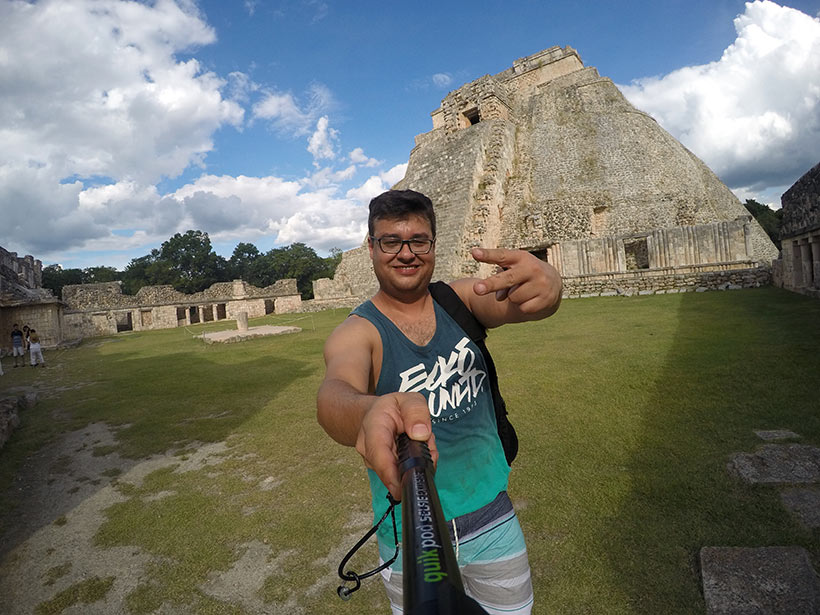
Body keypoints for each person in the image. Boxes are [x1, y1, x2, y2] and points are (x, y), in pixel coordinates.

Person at [316, 189, 562, 614]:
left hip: (490, 517)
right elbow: (335, 392)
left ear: (434, 245)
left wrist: (550, 284)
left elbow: (524, 302)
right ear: (371, 247)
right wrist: (368, 410)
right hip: (409, 534)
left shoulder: (459, 299)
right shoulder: (358, 332)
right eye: (391, 241)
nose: (406, 253)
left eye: (419, 240)